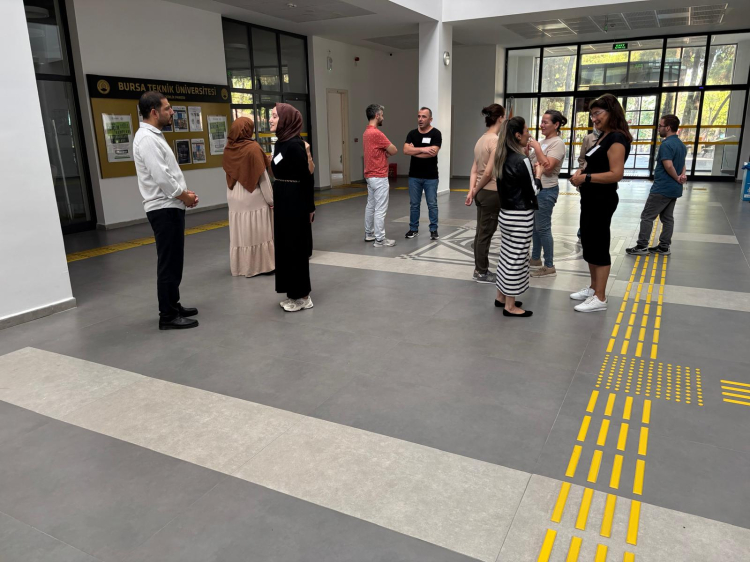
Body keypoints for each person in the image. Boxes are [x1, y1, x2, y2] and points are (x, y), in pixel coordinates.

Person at [133, 91, 199, 330]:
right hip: (163, 208)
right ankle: (168, 316)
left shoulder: (153, 136)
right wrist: (184, 196)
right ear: (154, 112)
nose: (172, 112)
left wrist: (184, 194)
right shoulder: (147, 139)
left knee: (174, 260)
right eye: (168, 108)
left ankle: (174, 304)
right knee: (168, 263)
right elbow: (162, 177)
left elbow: (168, 174)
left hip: (170, 205)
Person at [570, 94, 632, 313]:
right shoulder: (603, 137)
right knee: (589, 242)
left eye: (597, 113)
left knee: (598, 244)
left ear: (611, 112)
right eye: (592, 115)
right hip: (590, 198)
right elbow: (596, 164)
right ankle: (593, 288)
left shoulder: (617, 139)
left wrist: (585, 178)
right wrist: (581, 172)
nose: (594, 118)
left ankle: (600, 297)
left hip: (602, 199)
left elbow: (616, 174)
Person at [493, 116, 543, 318]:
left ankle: (501, 297)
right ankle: (510, 306)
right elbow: (533, 190)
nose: (529, 134)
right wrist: (538, 174)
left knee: (506, 255)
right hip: (521, 216)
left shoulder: (502, 156)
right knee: (517, 258)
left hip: (506, 214)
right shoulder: (521, 160)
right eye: (526, 131)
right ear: (517, 135)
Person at [270, 103, 316, 312]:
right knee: (285, 246)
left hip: (295, 201)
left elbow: (307, 179)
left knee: (295, 247)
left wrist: (310, 208)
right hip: (283, 198)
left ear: (286, 119)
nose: (270, 119)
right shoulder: (280, 143)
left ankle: (303, 296)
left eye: (274, 116)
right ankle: (292, 293)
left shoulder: (295, 145)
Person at [626, 114, 687, 256]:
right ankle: (664, 246)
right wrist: (681, 177)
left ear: (668, 128)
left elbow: (668, 165)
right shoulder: (681, 145)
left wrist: (676, 177)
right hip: (674, 189)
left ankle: (642, 246)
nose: (658, 128)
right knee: (667, 218)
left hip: (662, 188)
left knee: (647, 216)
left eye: (660, 126)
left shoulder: (666, 144)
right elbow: (682, 164)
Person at [223, 117, 275, 277]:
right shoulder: (253, 148)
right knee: (258, 232)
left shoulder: (228, 148)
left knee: (241, 234)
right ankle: (261, 266)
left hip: (234, 196)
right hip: (252, 196)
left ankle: (241, 267)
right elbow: (262, 178)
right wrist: (271, 200)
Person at [465, 103, 505, 283]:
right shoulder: (495, 141)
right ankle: (481, 272)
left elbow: (474, 169)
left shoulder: (481, 140)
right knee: (485, 233)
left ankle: (479, 268)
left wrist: (472, 190)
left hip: (481, 193)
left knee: (480, 232)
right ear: (500, 118)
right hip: (491, 193)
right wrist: (476, 189)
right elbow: (488, 173)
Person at [528, 110, 567, 278]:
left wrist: (536, 147)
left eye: (545, 122)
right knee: (535, 227)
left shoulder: (557, 143)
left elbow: (548, 167)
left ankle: (549, 265)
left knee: (543, 228)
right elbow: (532, 162)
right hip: (535, 189)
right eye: (541, 122)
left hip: (546, 190)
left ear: (556, 125)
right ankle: (535, 258)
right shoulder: (544, 142)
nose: (541, 125)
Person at [403, 107, 442, 240]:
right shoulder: (412, 133)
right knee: (414, 204)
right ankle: (413, 229)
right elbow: (405, 150)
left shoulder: (436, 133)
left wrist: (414, 151)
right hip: (414, 176)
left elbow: (433, 153)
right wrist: (424, 149)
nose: (420, 119)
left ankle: (433, 230)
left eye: (424, 117)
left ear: (430, 119)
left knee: (432, 204)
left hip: (431, 177)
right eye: (419, 116)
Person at [363, 104, 398, 247]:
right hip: (379, 176)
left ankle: (369, 233)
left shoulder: (366, 132)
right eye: (382, 115)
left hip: (370, 176)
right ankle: (380, 239)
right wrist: (386, 152)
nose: (383, 118)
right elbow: (394, 150)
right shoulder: (377, 133)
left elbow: (377, 151)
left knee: (371, 206)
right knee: (380, 209)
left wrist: (383, 152)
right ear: (377, 116)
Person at [576, 125, 601, 239]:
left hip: (601, 181)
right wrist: (583, 170)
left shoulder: (612, 138)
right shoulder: (588, 138)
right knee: (585, 206)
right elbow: (582, 158)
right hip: (587, 180)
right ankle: (583, 228)